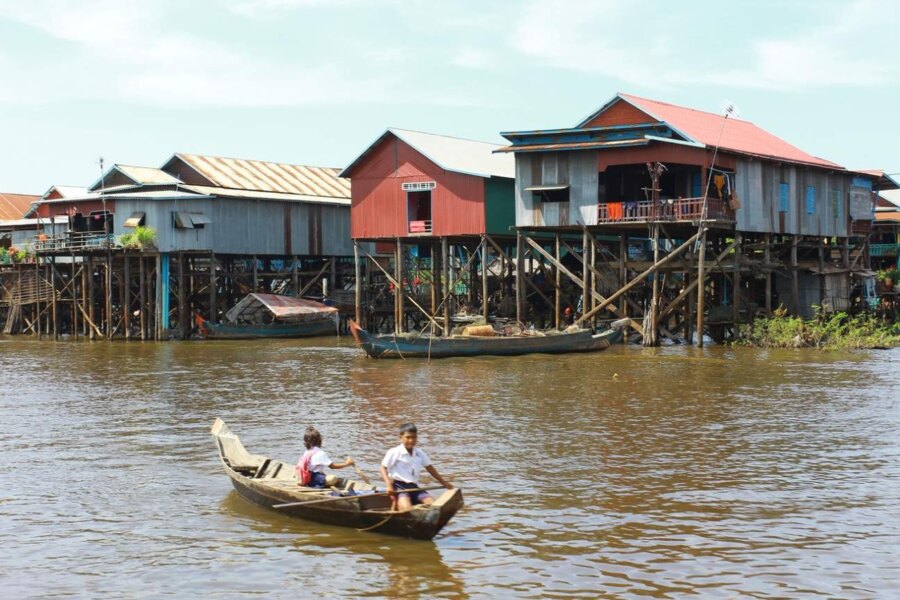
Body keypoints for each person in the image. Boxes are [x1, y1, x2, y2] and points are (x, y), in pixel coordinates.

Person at [380, 423, 453, 511]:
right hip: (399, 487)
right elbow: (383, 468)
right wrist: (388, 485)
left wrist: (444, 482)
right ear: (401, 438)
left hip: (414, 487)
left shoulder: (419, 453)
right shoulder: (394, 452)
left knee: (434, 506)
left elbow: (429, 467)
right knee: (407, 510)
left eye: (414, 437)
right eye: (408, 437)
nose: (411, 440)